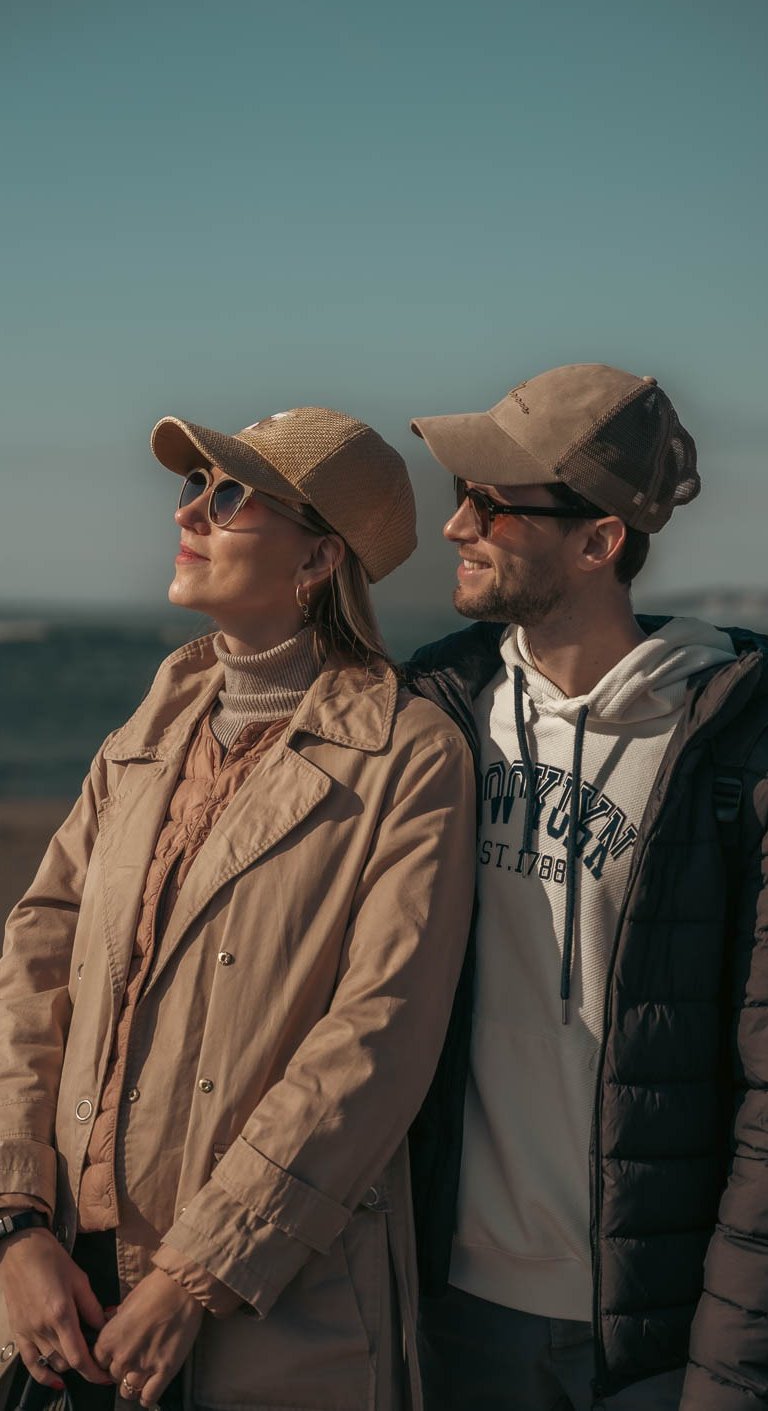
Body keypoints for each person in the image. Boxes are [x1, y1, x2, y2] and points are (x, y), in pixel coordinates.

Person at [0, 405, 476, 1411]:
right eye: (192, 486)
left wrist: (197, 1273)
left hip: (266, 1307)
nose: (189, 512)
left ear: (319, 558)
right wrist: (16, 1220)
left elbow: (377, 1039)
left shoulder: (410, 756)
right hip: (65, 1289)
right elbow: (36, 962)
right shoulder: (149, 725)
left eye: (228, 496)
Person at [403, 364, 768, 1410]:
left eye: (492, 505)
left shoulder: (733, 749)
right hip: (453, 1305)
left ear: (600, 539)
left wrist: (728, 1366)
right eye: (459, 497)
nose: (455, 527)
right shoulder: (438, 712)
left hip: (652, 1331)